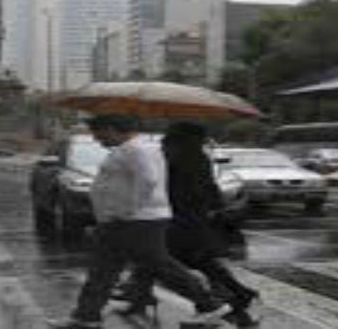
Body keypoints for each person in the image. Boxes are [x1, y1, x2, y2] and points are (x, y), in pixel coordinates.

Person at [47, 115, 231, 329]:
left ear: (111, 127)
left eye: (98, 134)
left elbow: (149, 179)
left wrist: (129, 209)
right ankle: (86, 316)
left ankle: (209, 305)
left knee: (159, 264)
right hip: (124, 220)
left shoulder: (134, 150)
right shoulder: (139, 148)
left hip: (136, 221)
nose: (97, 140)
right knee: (103, 269)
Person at [115, 122, 260, 326]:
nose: (166, 141)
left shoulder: (183, 160)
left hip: (182, 221)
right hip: (188, 219)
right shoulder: (192, 157)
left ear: (180, 140)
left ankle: (211, 305)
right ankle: (139, 296)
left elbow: (181, 191)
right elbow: (207, 191)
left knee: (168, 260)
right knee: (171, 260)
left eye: (170, 138)